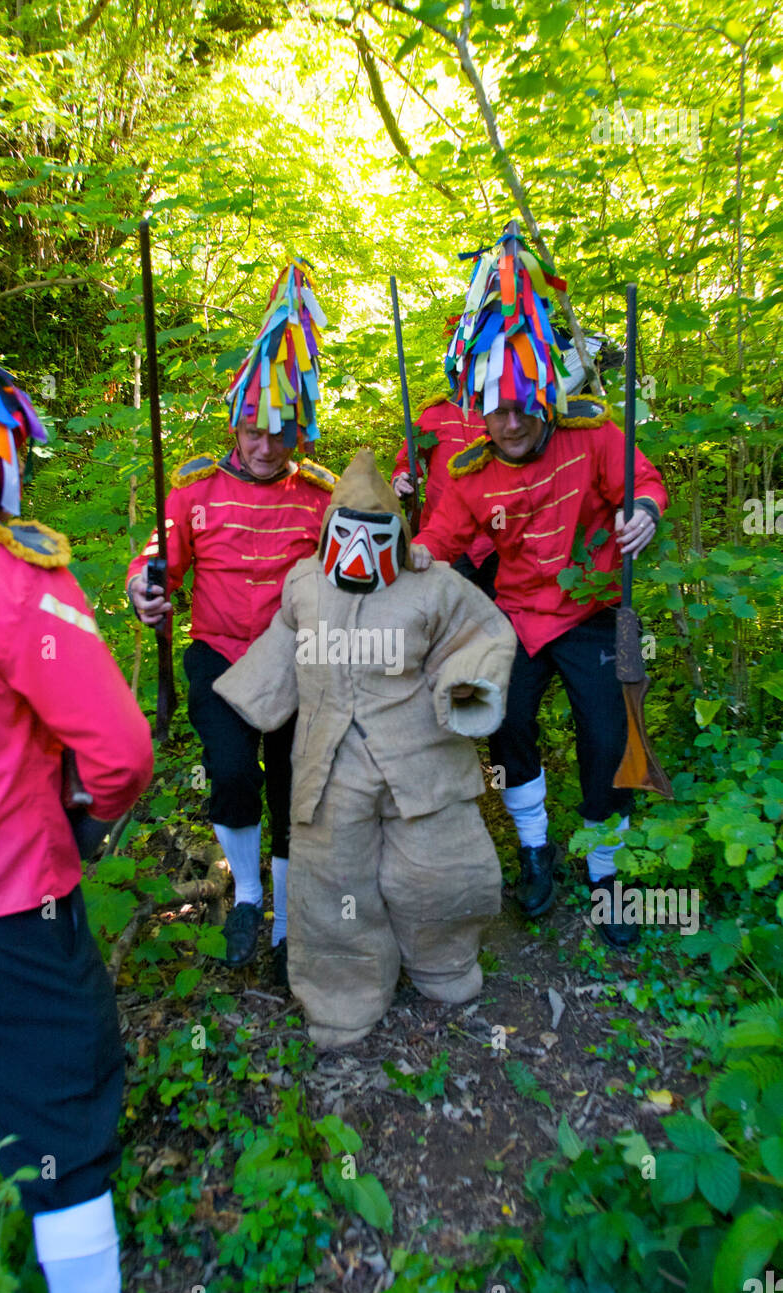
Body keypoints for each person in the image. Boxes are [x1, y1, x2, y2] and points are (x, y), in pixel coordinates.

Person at [0, 277, 154, 1293]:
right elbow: (122, 751)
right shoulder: (12, 577)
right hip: (8, 912)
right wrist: (93, 825)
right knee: (58, 1147)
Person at [410, 232, 668, 950]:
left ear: (544, 395)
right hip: (516, 618)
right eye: (499, 409)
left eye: (524, 404)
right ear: (480, 410)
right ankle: (534, 849)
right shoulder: (468, 470)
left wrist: (642, 512)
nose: (514, 420)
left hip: (590, 612)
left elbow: (642, 481)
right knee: (504, 719)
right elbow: (439, 542)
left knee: (611, 736)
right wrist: (391, 566)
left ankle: (606, 869)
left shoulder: (589, 434)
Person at [213, 449, 516, 1048]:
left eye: (372, 537)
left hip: (423, 757)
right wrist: (248, 704)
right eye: (344, 536)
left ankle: (445, 962)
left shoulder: (433, 587)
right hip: (330, 763)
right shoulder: (304, 584)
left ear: (395, 536)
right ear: (328, 532)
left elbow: (481, 633)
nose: (356, 551)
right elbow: (285, 641)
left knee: (439, 871)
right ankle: (342, 996)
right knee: (333, 885)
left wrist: (466, 689)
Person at [127, 261, 336, 981]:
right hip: (217, 654)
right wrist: (145, 591)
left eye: (279, 431)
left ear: (296, 431)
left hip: (292, 658)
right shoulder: (194, 491)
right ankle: (246, 894)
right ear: (235, 426)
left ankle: (288, 905)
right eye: (253, 430)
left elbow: (352, 577)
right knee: (230, 773)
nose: (264, 445)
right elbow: (160, 558)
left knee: (290, 782)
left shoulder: (318, 497)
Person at [391, 386, 499, 597]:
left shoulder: (503, 413)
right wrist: (400, 479)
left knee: (502, 613)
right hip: (444, 534)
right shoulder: (435, 413)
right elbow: (408, 459)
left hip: (496, 537)